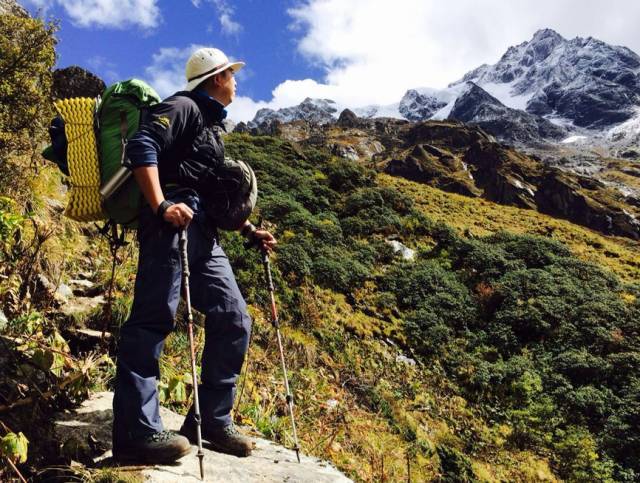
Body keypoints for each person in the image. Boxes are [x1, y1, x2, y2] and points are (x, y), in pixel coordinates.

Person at [112, 47, 276, 464]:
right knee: (153, 319)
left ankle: (211, 422)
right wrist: (161, 204)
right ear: (217, 77)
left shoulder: (210, 125)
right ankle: (137, 431)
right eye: (232, 75)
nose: (237, 81)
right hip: (170, 226)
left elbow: (206, 188)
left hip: (203, 233)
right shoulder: (183, 105)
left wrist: (248, 230)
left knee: (234, 316)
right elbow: (141, 145)